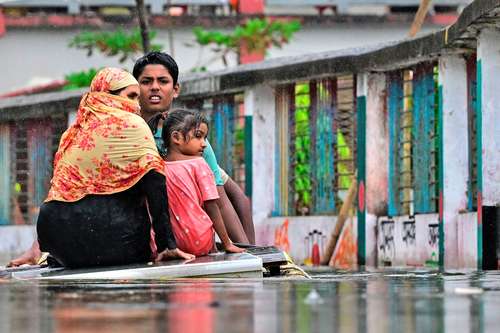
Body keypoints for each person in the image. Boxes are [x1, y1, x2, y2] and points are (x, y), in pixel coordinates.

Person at [9, 68, 194, 268]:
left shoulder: (72, 133)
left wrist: (40, 250)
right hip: (116, 241)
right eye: (131, 96)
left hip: (62, 247)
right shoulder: (133, 124)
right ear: (107, 95)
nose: (136, 104)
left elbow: (59, 196)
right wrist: (166, 245)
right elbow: (155, 185)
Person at [132, 51, 255, 244]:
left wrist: (250, 258)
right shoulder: (123, 132)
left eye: (163, 81)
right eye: (146, 81)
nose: (154, 87)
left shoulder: (189, 137)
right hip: (143, 232)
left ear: (175, 89)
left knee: (238, 197)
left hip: (188, 234)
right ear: (135, 88)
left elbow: (219, 201)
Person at [161, 108, 244, 255]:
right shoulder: (199, 164)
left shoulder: (157, 166)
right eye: (198, 137)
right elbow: (212, 205)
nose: (204, 144)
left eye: (204, 138)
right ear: (176, 137)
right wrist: (227, 243)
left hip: (168, 244)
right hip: (200, 240)